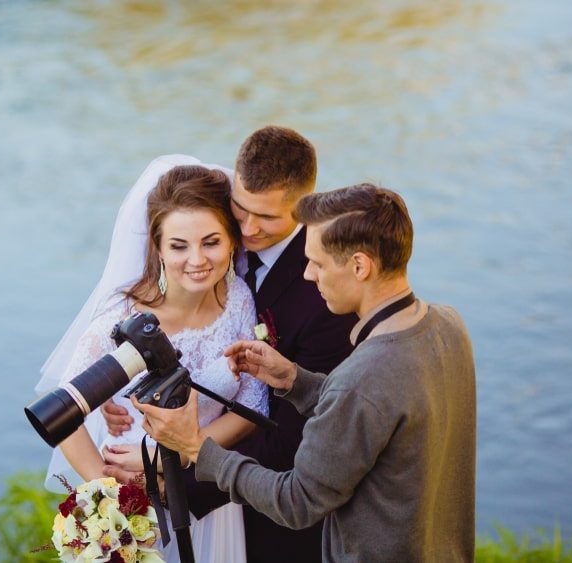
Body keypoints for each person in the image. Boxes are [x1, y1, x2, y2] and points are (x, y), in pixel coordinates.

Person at [134, 184, 477, 562]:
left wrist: (197, 448)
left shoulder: (361, 378)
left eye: (317, 263)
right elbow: (376, 410)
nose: (309, 275)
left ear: (360, 266)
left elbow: (296, 502)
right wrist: (294, 380)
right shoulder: (448, 324)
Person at [101, 126, 357, 562]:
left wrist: (172, 473)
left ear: (305, 207)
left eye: (269, 218)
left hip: (266, 516)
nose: (249, 229)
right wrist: (114, 390)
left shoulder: (325, 299)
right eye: (240, 209)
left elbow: (293, 440)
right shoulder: (215, 237)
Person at [35, 156, 268, 562]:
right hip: (136, 502)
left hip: (209, 495)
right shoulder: (125, 317)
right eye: (179, 245)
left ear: (232, 240)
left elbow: (251, 407)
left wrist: (172, 455)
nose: (196, 260)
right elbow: (62, 412)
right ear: (157, 247)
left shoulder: (240, 303)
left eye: (210, 241)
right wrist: (107, 490)